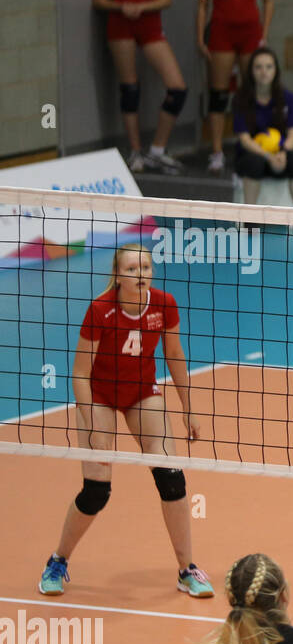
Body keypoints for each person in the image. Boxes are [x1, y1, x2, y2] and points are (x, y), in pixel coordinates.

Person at [38, 244, 209, 598]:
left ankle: (186, 570)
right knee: (97, 491)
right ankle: (58, 561)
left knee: (172, 478)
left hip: (141, 393)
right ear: (118, 276)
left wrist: (189, 408)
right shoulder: (101, 310)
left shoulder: (164, 304)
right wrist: (95, 428)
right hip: (98, 394)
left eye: (146, 267)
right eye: (132, 269)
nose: (141, 274)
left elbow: (174, 354)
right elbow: (79, 374)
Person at [93, 0, 187, 174]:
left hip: (150, 25)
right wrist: (121, 6)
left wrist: (141, 6)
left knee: (177, 88)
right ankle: (135, 151)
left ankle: (157, 150)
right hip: (120, 24)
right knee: (130, 88)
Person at [197, 0, 273, 175]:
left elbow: (268, 0)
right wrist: (200, 37)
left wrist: (264, 33)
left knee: (251, 90)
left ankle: (252, 145)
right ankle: (217, 152)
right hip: (222, 33)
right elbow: (202, 4)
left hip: (250, 33)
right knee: (219, 93)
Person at [233, 47, 293, 208]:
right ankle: (250, 218)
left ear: (276, 70)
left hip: (279, 155)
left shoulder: (288, 98)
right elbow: (244, 140)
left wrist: (282, 153)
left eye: (269, 66)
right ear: (251, 71)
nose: (263, 72)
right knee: (255, 163)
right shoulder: (241, 99)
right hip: (252, 155)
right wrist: (268, 156)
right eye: (258, 67)